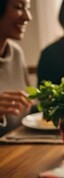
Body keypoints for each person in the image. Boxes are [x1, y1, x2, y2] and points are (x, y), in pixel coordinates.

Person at [0, 0, 33, 136]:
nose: (28, 17)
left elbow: (30, 107)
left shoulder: (17, 53)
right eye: (18, 7)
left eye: (28, 8)